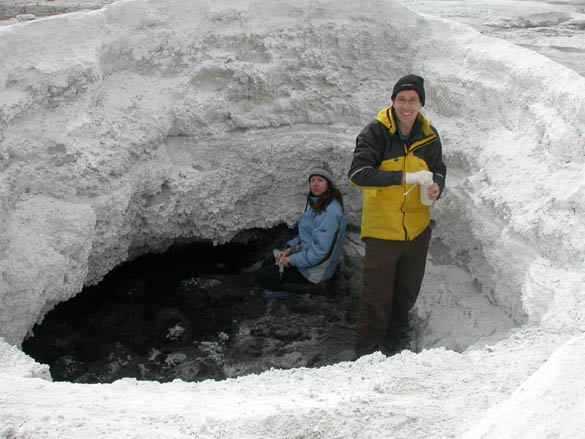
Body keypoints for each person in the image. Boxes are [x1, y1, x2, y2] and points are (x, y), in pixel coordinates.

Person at [348, 74, 446, 357]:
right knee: (376, 297)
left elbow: (439, 168)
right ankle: (366, 354)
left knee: (405, 293)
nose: (406, 105)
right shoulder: (375, 133)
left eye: (413, 100)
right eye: (401, 99)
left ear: (421, 104)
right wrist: (406, 177)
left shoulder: (429, 135)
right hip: (383, 231)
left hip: (417, 230)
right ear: (392, 101)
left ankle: (395, 348)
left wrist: (437, 184)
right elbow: (357, 174)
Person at [255, 162, 347, 295]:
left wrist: (291, 260)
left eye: (320, 180)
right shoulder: (319, 203)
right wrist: (290, 249)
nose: (315, 184)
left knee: (262, 276)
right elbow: (309, 235)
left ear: (328, 185)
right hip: (311, 260)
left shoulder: (330, 212)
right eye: (312, 180)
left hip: (315, 271)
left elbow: (321, 252)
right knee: (269, 262)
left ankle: (316, 288)